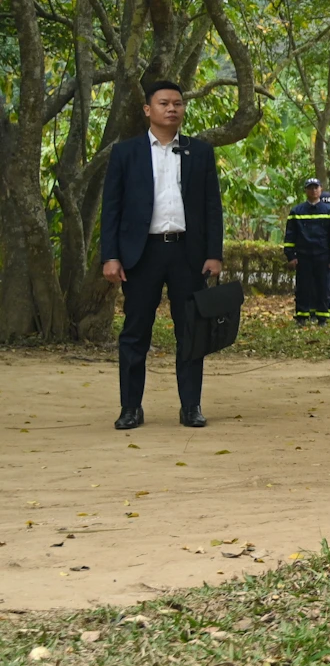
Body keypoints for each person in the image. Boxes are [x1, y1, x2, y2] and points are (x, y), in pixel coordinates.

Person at [100, 79, 225, 430]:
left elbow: (212, 207)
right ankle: (130, 408)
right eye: (164, 103)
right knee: (135, 331)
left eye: (178, 103)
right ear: (148, 110)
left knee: (191, 332)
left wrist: (214, 253)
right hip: (142, 255)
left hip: (188, 253)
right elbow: (111, 209)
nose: (172, 108)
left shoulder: (199, 152)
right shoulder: (126, 153)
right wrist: (110, 256)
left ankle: (191, 407)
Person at [283, 178, 330, 324]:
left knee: (323, 287)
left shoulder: (329, 212)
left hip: (323, 256)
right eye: (310, 188)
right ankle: (302, 316)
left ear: (321, 189)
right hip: (303, 256)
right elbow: (290, 235)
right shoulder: (296, 212)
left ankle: (322, 317)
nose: (313, 190)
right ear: (306, 191)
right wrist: (290, 256)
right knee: (303, 287)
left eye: (316, 188)